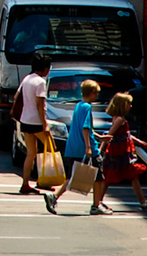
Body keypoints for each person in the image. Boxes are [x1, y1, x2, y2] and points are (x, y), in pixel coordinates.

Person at [44, 79, 102, 214]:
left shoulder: (78, 105)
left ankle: (54, 196)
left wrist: (99, 137)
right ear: (92, 92)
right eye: (97, 94)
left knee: (72, 176)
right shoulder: (87, 107)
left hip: (73, 147)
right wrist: (88, 147)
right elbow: (86, 127)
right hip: (86, 148)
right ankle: (96, 205)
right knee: (99, 178)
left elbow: (85, 127)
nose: (97, 96)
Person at [94, 91, 147, 214]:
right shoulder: (119, 120)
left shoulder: (120, 119)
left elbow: (127, 134)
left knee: (131, 175)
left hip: (122, 151)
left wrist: (138, 142)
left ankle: (142, 201)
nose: (131, 106)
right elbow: (110, 135)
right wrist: (101, 149)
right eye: (129, 103)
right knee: (109, 177)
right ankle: (99, 200)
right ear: (122, 105)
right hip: (117, 152)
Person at [16, 54, 52, 195]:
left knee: (31, 153)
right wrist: (45, 125)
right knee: (50, 149)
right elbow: (40, 105)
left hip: (25, 120)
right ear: (44, 68)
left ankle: (25, 183)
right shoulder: (40, 82)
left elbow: (16, 97)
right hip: (36, 121)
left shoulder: (27, 79)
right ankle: (45, 180)